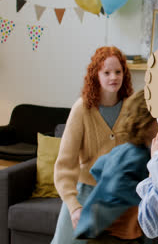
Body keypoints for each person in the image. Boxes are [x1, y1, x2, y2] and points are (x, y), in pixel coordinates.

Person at [52, 46, 133, 244]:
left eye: (118, 72)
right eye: (106, 72)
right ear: (96, 75)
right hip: (85, 193)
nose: (113, 77)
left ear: (124, 74)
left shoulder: (133, 106)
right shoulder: (82, 109)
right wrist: (73, 205)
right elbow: (65, 164)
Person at [74, 90, 158, 244]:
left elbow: (98, 167)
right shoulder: (136, 155)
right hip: (110, 236)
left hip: (127, 233)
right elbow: (116, 184)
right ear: (146, 121)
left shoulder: (128, 150)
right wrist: (145, 193)